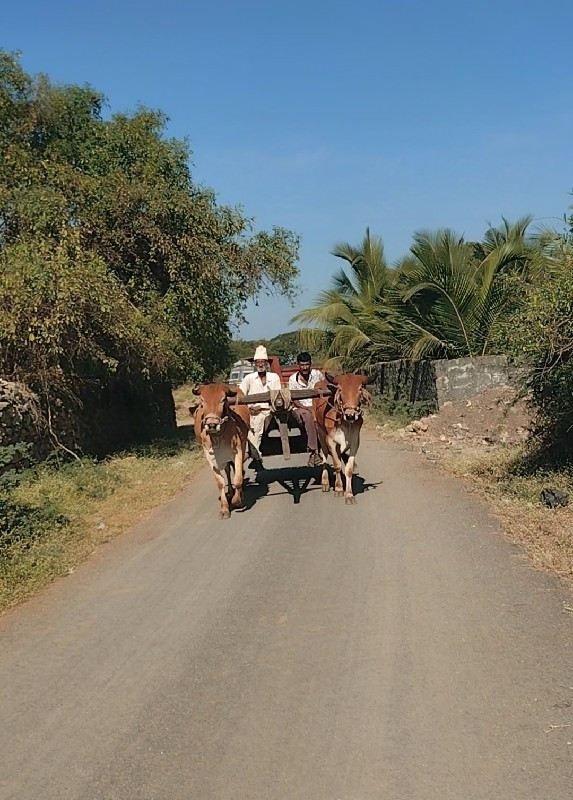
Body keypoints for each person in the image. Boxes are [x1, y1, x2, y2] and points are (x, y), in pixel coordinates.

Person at [239, 345, 281, 470]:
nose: (260, 364)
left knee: (257, 431)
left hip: (271, 411)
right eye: (258, 362)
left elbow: (278, 395)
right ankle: (255, 457)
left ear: (267, 364)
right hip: (254, 413)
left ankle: (254, 456)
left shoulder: (274, 377)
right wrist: (248, 409)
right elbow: (241, 395)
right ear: (255, 364)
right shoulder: (249, 379)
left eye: (263, 362)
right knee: (251, 432)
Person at [288, 352, 324, 467]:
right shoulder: (293, 379)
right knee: (308, 417)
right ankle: (314, 450)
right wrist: (306, 408)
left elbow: (324, 387)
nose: (305, 367)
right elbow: (293, 399)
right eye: (302, 365)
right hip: (300, 408)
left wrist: (315, 407)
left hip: (316, 406)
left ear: (310, 365)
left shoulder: (317, 375)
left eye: (307, 365)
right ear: (298, 365)